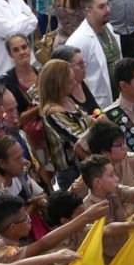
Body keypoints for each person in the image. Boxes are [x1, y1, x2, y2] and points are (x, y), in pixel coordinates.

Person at [38, 59, 96, 191]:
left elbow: (88, 122)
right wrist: (97, 126)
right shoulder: (52, 112)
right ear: (57, 84)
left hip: (84, 164)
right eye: (70, 81)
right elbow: (78, 138)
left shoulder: (66, 100)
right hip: (72, 173)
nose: (75, 83)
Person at [66, 0, 122, 109]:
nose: (108, 9)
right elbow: (73, 80)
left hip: (119, 98)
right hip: (99, 104)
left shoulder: (109, 27)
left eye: (108, 4)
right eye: (101, 7)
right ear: (89, 11)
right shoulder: (77, 41)